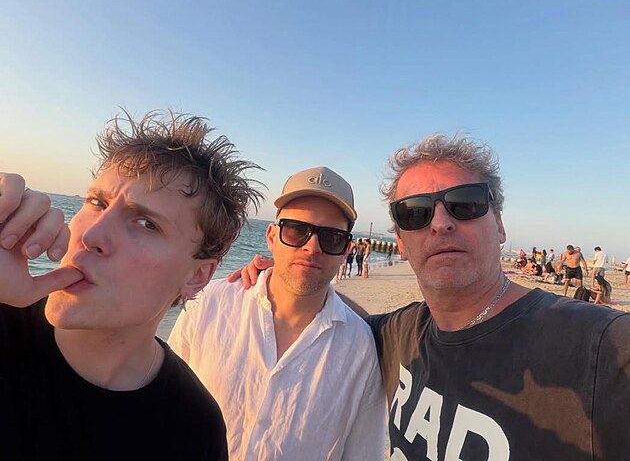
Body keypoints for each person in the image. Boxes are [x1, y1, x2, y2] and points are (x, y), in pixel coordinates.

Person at [232, 133, 630, 459]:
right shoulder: (399, 334)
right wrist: (284, 277)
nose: (440, 223)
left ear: (499, 225)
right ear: (401, 243)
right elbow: (344, 319)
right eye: (415, 213)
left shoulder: (601, 347)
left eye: (465, 204)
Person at [0, 110, 265, 459]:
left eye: (146, 223)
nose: (91, 236)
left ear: (197, 276)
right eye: (97, 203)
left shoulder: (193, 427)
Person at [168, 166, 386, 460]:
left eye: (332, 238)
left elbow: (362, 454)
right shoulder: (209, 304)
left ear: (347, 250)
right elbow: (162, 410)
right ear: (272, 236)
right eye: (296, 230)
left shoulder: (361, 350)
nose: (312, 247)